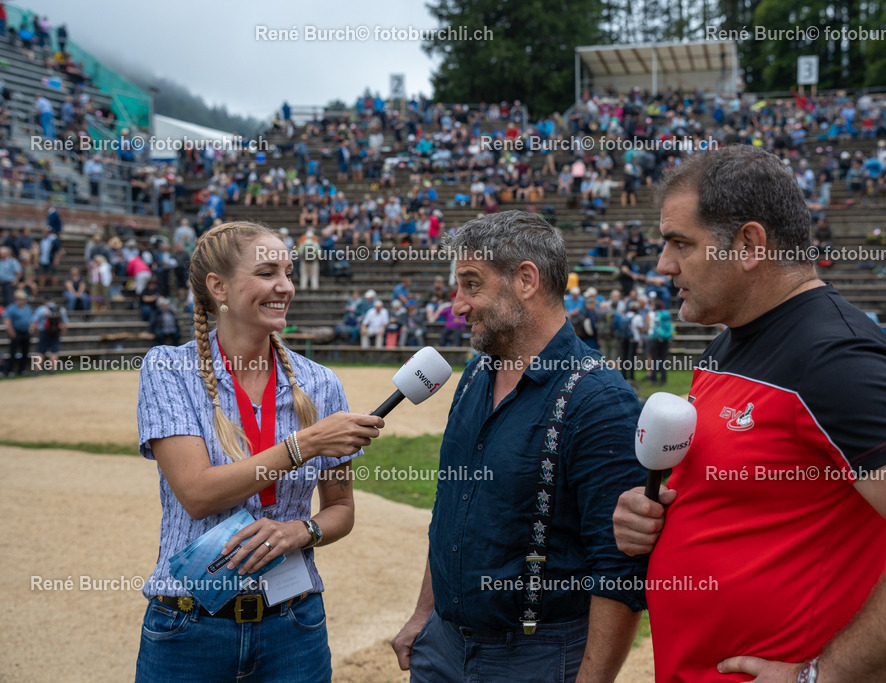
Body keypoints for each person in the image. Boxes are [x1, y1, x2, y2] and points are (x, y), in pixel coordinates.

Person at [611, 145, 886, 683]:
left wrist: (821, 677)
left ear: (749, 245)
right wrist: (647, 514)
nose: (663, 264)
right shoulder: (732, 339)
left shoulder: (834, 358)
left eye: (680, 243)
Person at [392, 210, 647, 682]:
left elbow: (619, 570)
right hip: (442, 647)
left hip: (539, 658)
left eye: (471, 285)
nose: (457, 306)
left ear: (525, 280)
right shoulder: (473, 377)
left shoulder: (600, 400)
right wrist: (424, 614)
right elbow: (452, 508)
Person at [133, 221, 384, 682]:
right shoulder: (169, 369)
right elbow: (198, 493)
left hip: (294, 625)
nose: (284, 287)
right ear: (219, 287)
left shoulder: (321, 383)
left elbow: (341, 510)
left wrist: (301, 531)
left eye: (288, 273)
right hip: (189, 627)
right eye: (268, 272)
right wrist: (304, 444)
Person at [31, 294, 67, 372]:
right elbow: (65, 324)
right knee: (54, 352)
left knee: (40, 352)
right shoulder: (60, 309)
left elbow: (34, 323)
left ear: (44, 301)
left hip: (44, 332)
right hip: (56, 332)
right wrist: (61, 333)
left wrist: (38, 333)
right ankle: (52, 371)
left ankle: (36, 372)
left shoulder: (41, 309)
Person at [3, 290, 33, 377]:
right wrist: (12, 332)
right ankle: (10, 370)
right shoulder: (11, 308)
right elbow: (7, 321)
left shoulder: (27, 307)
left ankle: (22, 369)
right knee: (13, 352)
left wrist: (30, 329)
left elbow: (30, 319)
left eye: (24, 299)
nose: (23, 300)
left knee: (25, 352)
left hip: (26, 332)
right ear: (16, 299)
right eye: (21, 299)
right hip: (16, 332)